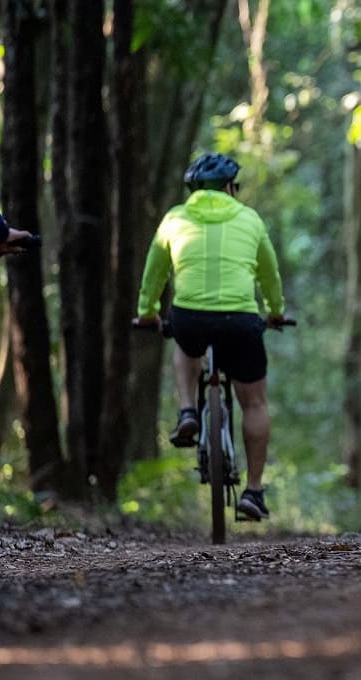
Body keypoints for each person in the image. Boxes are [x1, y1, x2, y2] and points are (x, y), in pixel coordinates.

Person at [134, 152, 287, 521]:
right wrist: (275, 312)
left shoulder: (174, 219)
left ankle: (188, 410)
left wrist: (148, 314)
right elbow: (269, 275)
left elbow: (154, 273)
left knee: (184, 343)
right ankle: (253, 491)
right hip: (241, 320)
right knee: (254, 402)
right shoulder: (250, 219)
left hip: (191, 317)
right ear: (231, 187)